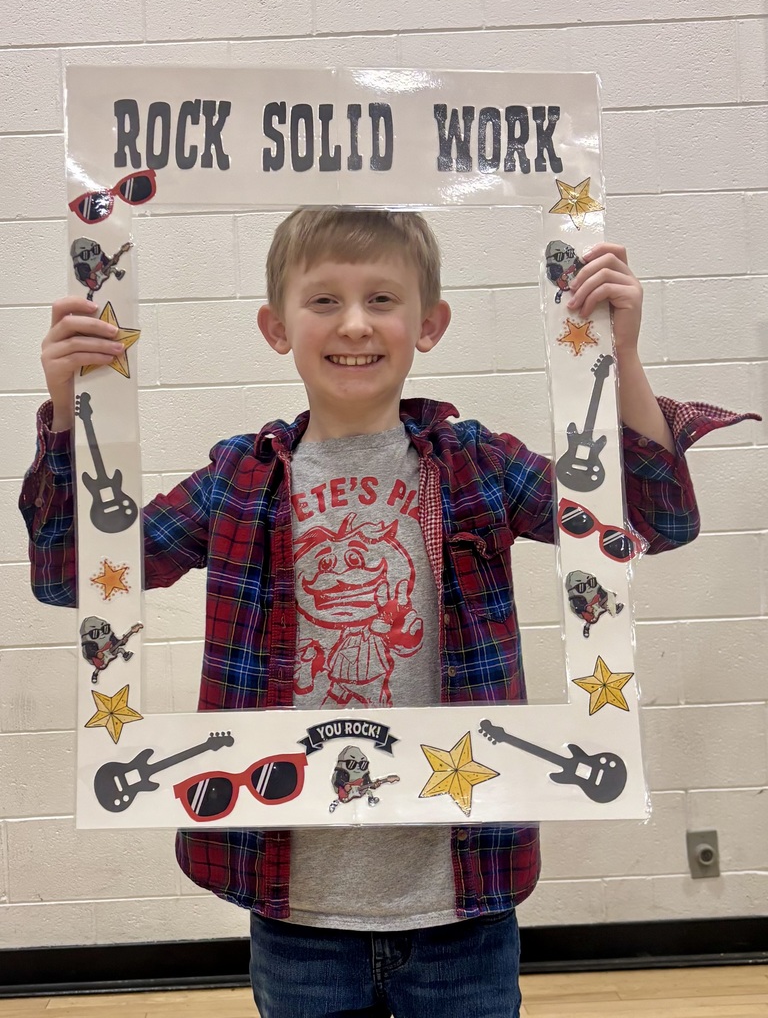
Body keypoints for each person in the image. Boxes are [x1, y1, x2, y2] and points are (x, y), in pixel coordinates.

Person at [20, 208, 757, 1018]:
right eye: (325, 301)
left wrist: (618, 359)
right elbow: (70, 579)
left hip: (463, 904)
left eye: (382, 298)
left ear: (430, 324)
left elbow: (654, 522)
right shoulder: (238, 479)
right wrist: (68, 411)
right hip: (294, 907)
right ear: (276, 327)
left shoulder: (478, 465)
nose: (356, 323)